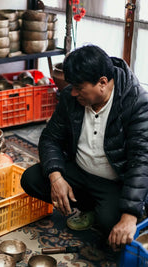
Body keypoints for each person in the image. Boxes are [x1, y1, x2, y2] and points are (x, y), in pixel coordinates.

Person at [21, 44, 148, 252]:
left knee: (112, 226)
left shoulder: (137, 104)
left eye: (79, 88)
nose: (73, 93)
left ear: (103, 83)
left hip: (115, 182)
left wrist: (129, 216)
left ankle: (123, 211)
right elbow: (50, 139)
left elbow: (141, 161)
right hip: (79, 172)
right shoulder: (72, 99)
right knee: (32, 179)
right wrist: (57, 178)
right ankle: (89, 207)